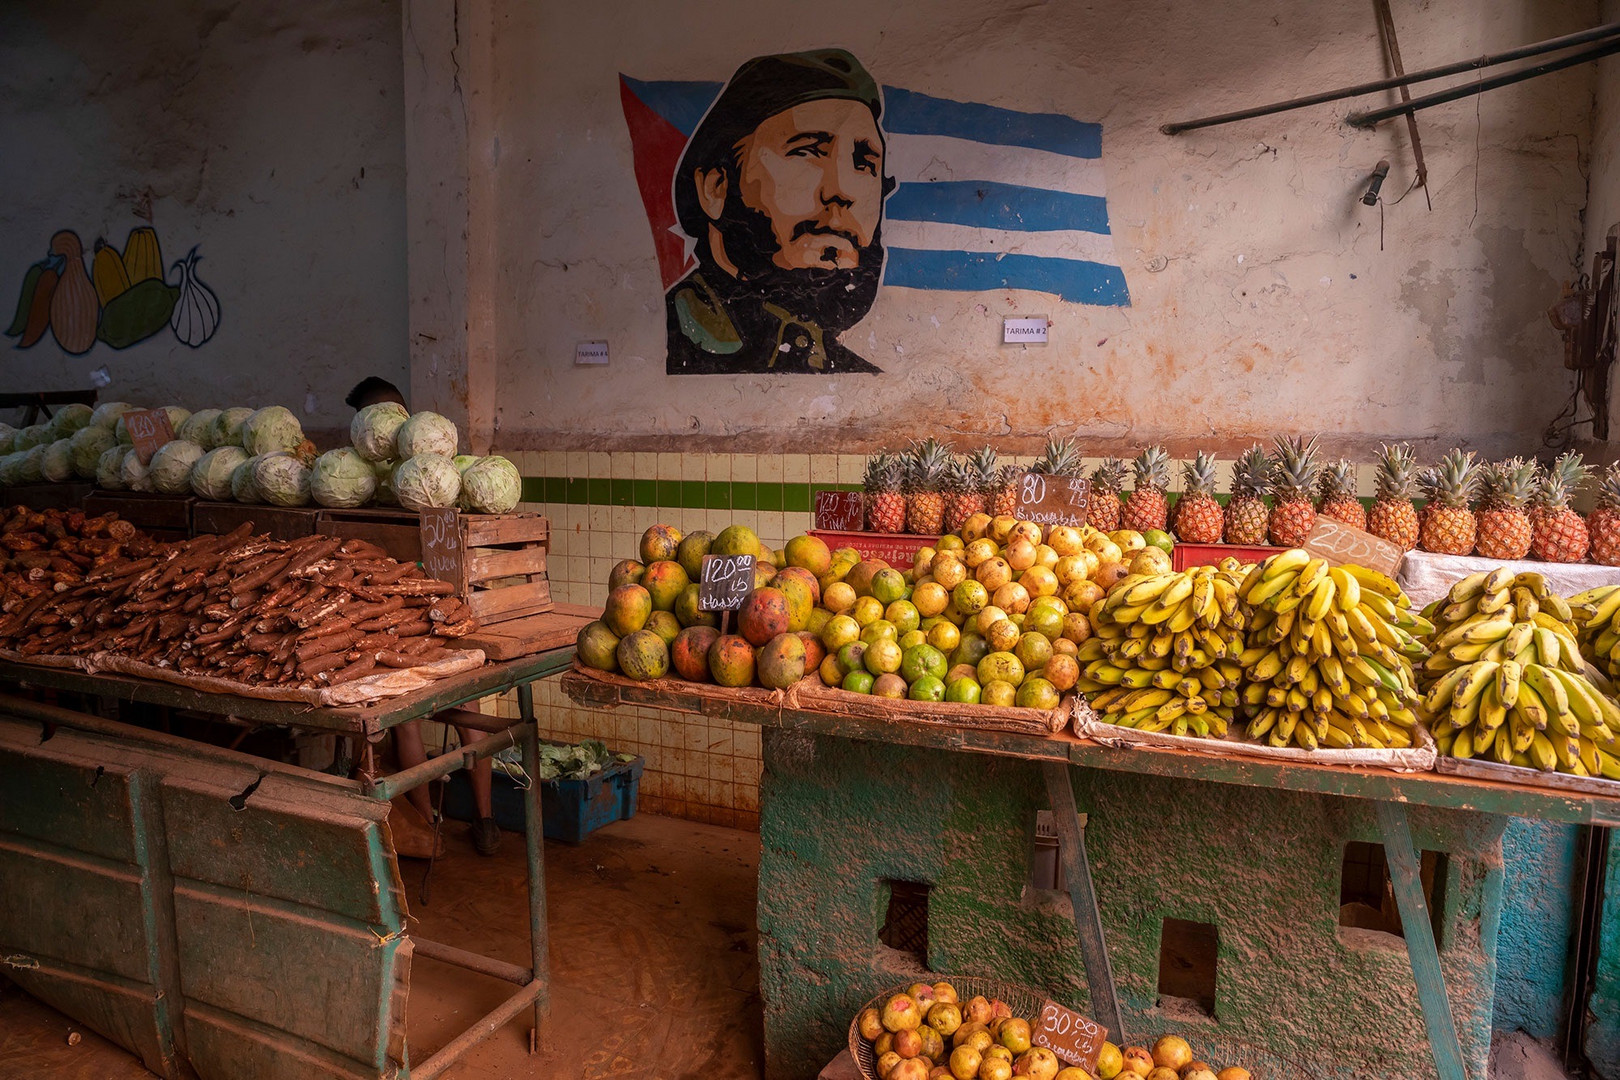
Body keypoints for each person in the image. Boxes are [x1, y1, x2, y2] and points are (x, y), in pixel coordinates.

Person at [346, 377, 502, 857]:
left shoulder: (375, 481)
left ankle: (427, 822)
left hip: (409, 614)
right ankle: (484, 820)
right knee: (469, 711)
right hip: (457, 606)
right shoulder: (441, 470)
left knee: (408, 723)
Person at [665, 48, 892, 375]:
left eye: (865, 163)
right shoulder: (674, 340)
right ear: (716, 187)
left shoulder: (857, 376)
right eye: (809, 151)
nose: (840, 191)